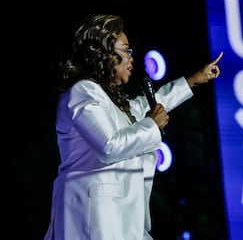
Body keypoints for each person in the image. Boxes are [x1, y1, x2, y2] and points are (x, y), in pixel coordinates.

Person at [44, 14, 223, 240]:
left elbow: (152, 105)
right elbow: (109, 146)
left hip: (124, 220)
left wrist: (193, 80)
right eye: (126, 51)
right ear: (105, 53)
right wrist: (151, 125)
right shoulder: (83, 91)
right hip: (94, 219)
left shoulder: (116, 104)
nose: (131, 59)